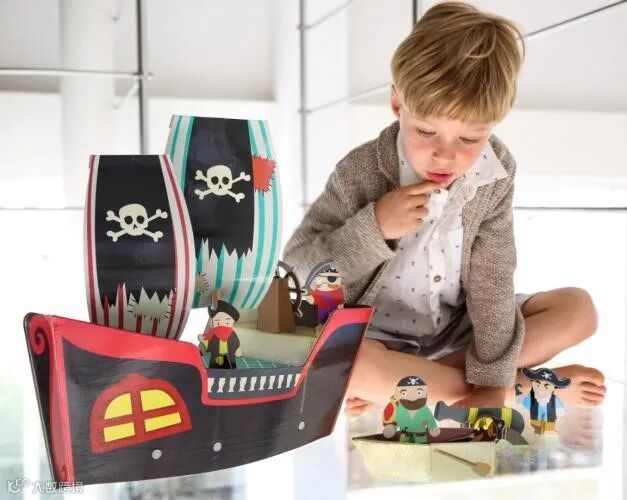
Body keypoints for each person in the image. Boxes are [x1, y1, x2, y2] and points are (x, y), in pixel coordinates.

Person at [283, 2, 605, 413]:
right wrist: (375, 227)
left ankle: (445, 384)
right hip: (376, 337)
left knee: (578, 310)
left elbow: (492, 278)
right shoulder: (360, 171)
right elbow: (297, 273)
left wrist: (490, 374)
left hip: (458, 329)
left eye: (469, 139)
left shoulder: (494, 172)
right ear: (398, 104)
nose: (445, 155)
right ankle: (527, 389)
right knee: (345, 366)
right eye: (426, 131)